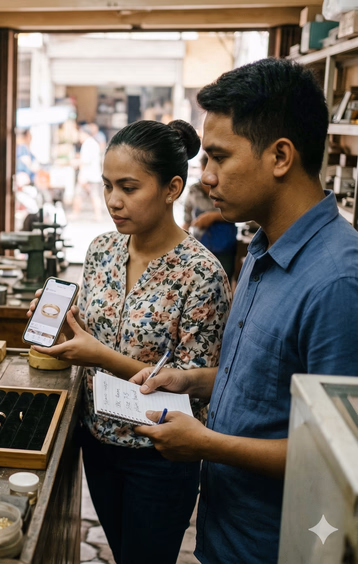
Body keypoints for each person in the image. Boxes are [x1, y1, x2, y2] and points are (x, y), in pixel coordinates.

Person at [131, 58, 358, 564]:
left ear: (280, 156)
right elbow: (272, 384)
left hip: (278, 547)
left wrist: (206, 443)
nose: (205, 177)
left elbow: (340, 456)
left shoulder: (339, 281)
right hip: (223, 532)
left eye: (218, 158)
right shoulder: (260, 248)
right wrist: (194, 382)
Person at [28, 119, 232, 564]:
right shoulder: (102, 250)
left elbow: (195, 385)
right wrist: (60, 320)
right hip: (96, 437)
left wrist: (100, 356)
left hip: (158, 453)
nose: (113, 202)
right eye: (106, 186)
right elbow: (88, 333)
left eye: (128, 187)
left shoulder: (201, 274)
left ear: (171, 188)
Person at [183, 153, 238, 280]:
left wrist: (213, 217)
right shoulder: (194, 190)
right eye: (206, 166)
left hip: (225, 246)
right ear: (202, 167)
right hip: (201, 246)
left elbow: (237, 214)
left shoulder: (228, 189)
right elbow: (187, 218)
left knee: (223, 280)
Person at [72, 124, 104, 221]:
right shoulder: (92, 143)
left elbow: (86, 160)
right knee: (90, 195)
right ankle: (96, 215)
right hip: (92, 175)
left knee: (85, 195)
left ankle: (78, 214)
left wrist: (76, 162)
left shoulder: (88, 144)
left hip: (88, 175)